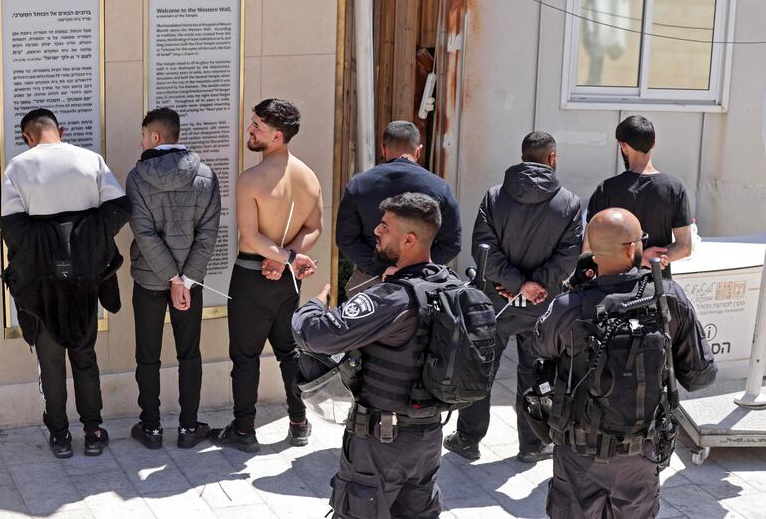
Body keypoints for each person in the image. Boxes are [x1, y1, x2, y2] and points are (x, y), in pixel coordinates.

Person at [535, 208, 717, 518]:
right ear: (633, 248)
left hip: (579, 454)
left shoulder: (568, 307)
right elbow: (701, 376)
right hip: (640, 454)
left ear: (591, 252)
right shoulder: (667, 298)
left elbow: (541, 347)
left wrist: (574, 291)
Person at [293, 193, 450, 519]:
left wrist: (314, 306)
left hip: (380, 444)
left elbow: (317, 335)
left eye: (385, 226)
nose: (376, 231)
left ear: (409, 239)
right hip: (428, 438)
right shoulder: (449, 287)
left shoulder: (392, 297)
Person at [0, 108, 129, 458]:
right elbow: (119, 209)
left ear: (27, 137)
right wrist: (81, 238)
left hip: (41, 286)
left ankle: (59, 435)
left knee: (51, 361)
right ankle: (93, 430)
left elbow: (13, 229)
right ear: (62, 130)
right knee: (85, 357)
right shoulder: (91, 159)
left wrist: (52, 240)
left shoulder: (18, 167)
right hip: (83, 282)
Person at [444, 132, 582, 462]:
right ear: (552, 158)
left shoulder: (494, 197)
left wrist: (516, 283)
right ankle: (533, 445)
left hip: (496, 301)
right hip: (542, 307)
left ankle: (468, 439)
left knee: (482, 369)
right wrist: (535, 286)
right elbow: (568, 257)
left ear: (522, 158)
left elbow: (482, 250)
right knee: (535, 373)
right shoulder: (569, 203)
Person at [210, 98, 323, 452]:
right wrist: (287, 257)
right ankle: (299, 421)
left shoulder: (251, 180)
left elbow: (250, 237)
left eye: (257, 125)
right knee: (288, 351)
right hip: (287, 279)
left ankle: (244, 431)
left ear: (277, 136)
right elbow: (314, 227)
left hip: (251, 275)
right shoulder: (308, 176)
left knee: (245, 356)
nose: (250, 129)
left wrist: (283, 256)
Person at [126, 108, 221, 449]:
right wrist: (186, 279)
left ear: (155, 137)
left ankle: (151, 429)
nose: (140, 142)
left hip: (150, 279)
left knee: (148, 355)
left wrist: (170, 277)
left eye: (142, 135)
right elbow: (209, 235)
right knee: (189, 354)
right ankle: (188, 428)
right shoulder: (207, 176)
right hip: (189, 284)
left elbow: (144, 233)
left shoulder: (137, 178)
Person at [336, 120, 461, 297]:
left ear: (383, 148)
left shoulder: (359, 185)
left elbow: (346, 240)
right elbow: (452, 243)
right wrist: (416, 269)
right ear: (419, 150)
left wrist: (382, 268)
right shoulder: (439, 187)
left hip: (369, 283)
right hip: (421, 287)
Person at [585, 115, 692, 278]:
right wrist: (654, 258)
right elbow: (684, 246)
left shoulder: (607, 189)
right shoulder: (674, 188)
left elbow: (588, 248)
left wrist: (638, 258)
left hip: (612, 288)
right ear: (654, 143)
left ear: (623, 146)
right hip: (656, 286)